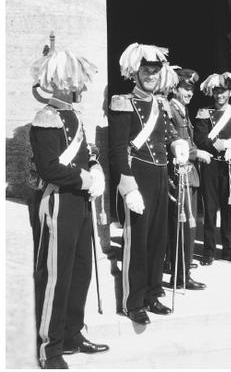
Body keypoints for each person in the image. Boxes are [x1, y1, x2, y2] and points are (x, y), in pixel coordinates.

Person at [29, 49, 109, 369]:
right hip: (60, 201)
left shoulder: (73, 116)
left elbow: (85, 155)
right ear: (63, 83)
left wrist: (96, 169)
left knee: (80, 272)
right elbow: (50, 169)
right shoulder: (46, 118)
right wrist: (84, 177)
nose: (83, 88)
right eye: (78, 82)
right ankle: (51, 347)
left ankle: (73, 333)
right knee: (57, 277)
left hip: (80, 201)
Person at [109, 43, 189, 324]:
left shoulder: (161, 103)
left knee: (158, 239)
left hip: (161, 175)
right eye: (146, 70)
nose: (151, 75)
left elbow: (167, 135)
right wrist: (128, 188)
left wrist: (178, 144)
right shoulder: (123, 102)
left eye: (155, 71)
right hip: (138, 175)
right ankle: (134, 301)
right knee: (138, 241)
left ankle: (154, 292)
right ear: (136, 72)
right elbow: (117, 149)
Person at [194, 71, 231, 265]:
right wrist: (224, 144)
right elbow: (200, 138)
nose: (220, 95)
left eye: (224, 91)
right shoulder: (203, 113)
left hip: (230, 165)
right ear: (212, 92)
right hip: (211, 164)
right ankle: (208, 252)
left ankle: (229, 249)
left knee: (229, 208)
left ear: (230, 92)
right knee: (209, 210)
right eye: (217, 91)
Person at [167, 68, 211, 290]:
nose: (189, 93)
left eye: (191, 89)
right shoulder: (170, 110)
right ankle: (180, 275)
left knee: (187, 227)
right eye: (185, 88)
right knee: (183, 227)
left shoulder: (181, 110)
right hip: (180, 175)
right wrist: (196, 153)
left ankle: (181, 270)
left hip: (188, 174)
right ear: (175, 88)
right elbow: (173, 142)